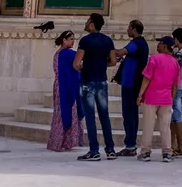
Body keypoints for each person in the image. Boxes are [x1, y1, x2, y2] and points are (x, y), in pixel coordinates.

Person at [74, 13, 118, 161]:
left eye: (87, 21)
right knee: (104, 115)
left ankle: (94, 150)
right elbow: (113, 61)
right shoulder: (107, 41)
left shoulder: (85, 41)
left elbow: (76, 63)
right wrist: (100, 64)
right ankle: (110, 149)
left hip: (87, 82)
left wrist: (84, 68)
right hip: (102, 81)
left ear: (92, 24)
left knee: (91, 117)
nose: (86, 23)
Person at [137, 36, 181, 162]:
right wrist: (171, 99)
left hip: (151, 97)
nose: (158, 45)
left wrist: (140, 95)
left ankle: (145, 152)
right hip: (166, 98)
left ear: (164, 45)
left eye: (160, 43)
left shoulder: (154, 59)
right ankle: (167, 152)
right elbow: (175, 85)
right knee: (165, 127)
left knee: (148, 125)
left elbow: (146, 79)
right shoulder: (175, 63)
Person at [113, 20, 150, 156]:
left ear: (134, 30)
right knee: (132, 114)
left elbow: (120, 53)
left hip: (131, 84)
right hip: (134, 83)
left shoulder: (136, 43)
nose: (127, 30)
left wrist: (108, 49)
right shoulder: (143, 44)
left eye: (129, 28)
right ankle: (131, 144)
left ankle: (130, 145)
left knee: (128, 114)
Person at [46, 30, 85, 152]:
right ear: (64, 40)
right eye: (71, 39)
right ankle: (62, 143)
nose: (73, 41)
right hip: (66, 87)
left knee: (60, 113)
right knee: (66, 113)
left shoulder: (57, 53)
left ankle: (57, 143)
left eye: (74, 39)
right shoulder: (68, 54)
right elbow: (80, 62)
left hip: (60, 85)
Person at [169, 27, 182, 157]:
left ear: (176, 39)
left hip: (178, 88)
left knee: (177, 118)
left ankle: (180, 147)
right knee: (172, 119)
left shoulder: (179, 54)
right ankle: (172, 146)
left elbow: (174, 71)